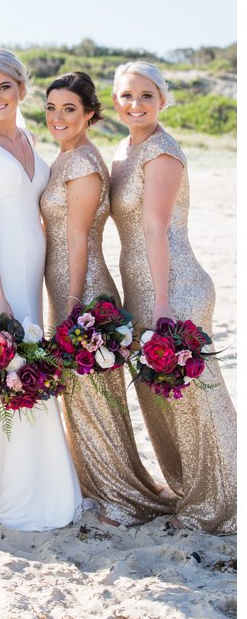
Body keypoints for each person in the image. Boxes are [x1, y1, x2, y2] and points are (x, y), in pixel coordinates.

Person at [39, 71, 174, 526]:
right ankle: (99, 483)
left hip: (83, 286)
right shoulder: (66, 157)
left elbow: (78, 239)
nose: (59, 117)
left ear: (91, 114)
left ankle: (119, 493)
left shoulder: (81, 163)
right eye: (52, 108)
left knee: (96, 395)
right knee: (82, 394)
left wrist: (75, 303)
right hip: (64, 285)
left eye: (70, 109)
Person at [0, 50, 84, 531]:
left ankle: (46, 482)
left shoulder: (32, 137)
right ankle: (7, 489)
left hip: (31, 272)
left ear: (22, 89)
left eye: (3, 87)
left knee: (34, 371)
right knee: (4, 373)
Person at [108, 61, 237, 534]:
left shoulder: (161, 151)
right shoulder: (123, 149)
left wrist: (162, 303)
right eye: (126, 96)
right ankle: (191, 490)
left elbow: (156, 228)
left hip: (174, 287)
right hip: (143, 290)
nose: (135, 104)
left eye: (145, 95)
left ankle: (223, 501)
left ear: (163, 100)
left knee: (196, 398)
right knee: (162, 397)